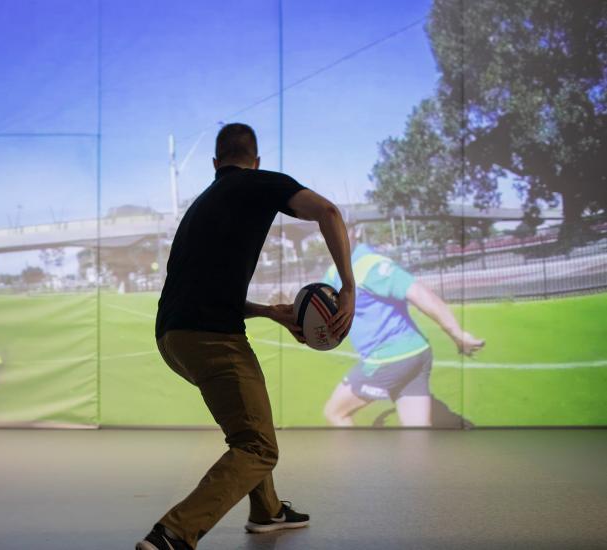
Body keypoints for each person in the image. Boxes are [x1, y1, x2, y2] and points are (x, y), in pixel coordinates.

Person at [137, 123, 355, 550]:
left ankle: (267, 511)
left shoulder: (202, 204)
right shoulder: (262, 182)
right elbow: (328, 213)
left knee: (248, 419)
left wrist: (267, 312)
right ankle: (173, 533)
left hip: (172, 337)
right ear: (255, 162)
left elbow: (198, 287)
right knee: (257, 445)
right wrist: (348, 286)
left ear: (217, 163)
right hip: (211, 336)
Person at [322, 225, 485, 427]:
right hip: (416, 354)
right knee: (416, 435)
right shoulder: (333, 272)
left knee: (335, 412)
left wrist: (456, 333)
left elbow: (420, 294)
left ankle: (358, 459)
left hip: (389, 359)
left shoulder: (368, 265)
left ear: (356, 231)